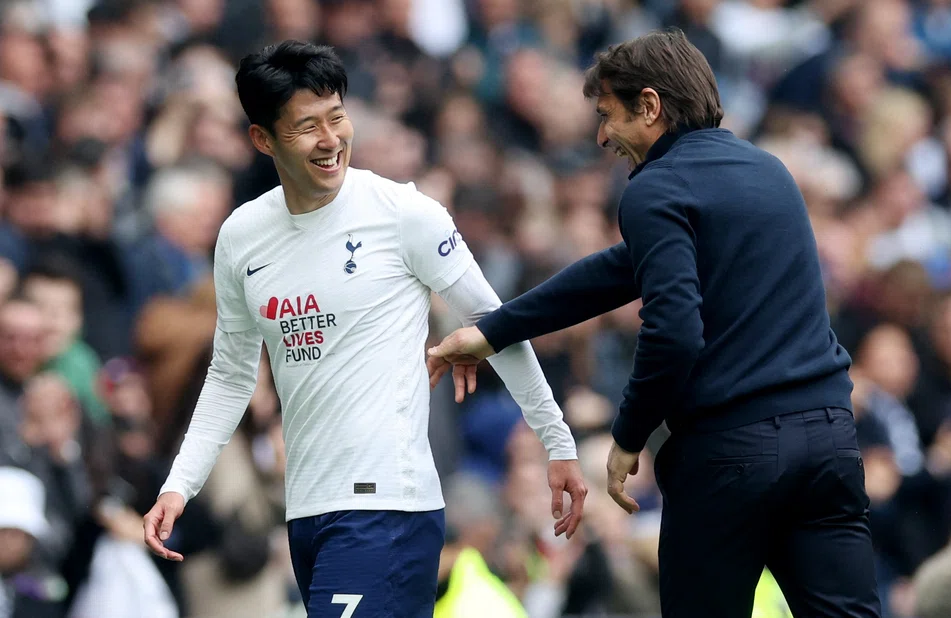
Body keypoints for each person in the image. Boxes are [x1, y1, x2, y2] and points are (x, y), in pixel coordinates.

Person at [428, 29, 881, 617]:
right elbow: (614, 272)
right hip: (827, 441)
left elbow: (673, 332)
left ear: (650, 106)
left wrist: (627, 434)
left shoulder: (654, 188)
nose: (601, 136)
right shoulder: (768, 169)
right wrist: (493, 331)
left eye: (607, 115)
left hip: (730, 453)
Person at [141, 41, 586, 618]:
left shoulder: (404, 213)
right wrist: (180, 484)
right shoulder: (242, 236)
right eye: (307, 126)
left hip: (387, 509)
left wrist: (557, 442)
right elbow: (229, 377)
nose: (331, 140)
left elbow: (496, 325)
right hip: (305, 511)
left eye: (337, 117)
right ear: (262, 139)